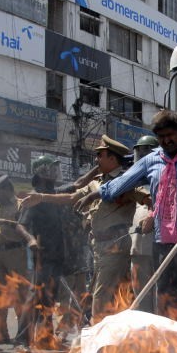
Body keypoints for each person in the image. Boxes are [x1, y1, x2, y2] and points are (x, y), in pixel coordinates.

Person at [82, 111, 177, 321]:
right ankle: (173, 350)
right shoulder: (151, 161)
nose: (166, 140)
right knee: (168, 304)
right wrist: (95, 194)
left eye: (170, 135)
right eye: (161, 137)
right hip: (163, 244)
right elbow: (123, 181)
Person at [22, 136, 145, 323]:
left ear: (112, 159)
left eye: (100, 155)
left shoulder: (126, 181)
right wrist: (41, 197)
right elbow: (72, 196)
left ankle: (97, 343)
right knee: (114, 295)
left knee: (101, 298)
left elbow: (147, 197)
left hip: (115, 245)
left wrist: (152, 216)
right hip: (98, 246)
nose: (96, 160)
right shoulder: (97, 181)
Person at [12, 156, 66, 353]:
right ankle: (21, 341)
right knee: (34, 297)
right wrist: (30, 240)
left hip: (56, 254)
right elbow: (20, 225)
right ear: (42, 173)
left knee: (49, 298)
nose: (55, 173)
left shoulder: (53, 194)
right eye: (52, 169)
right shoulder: (35, 197)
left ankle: (45, 337)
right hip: (41, 256)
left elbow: (77, 185)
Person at [0, 175, 37, 345]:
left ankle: (24, 336)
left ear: (7, 190)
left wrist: (4, 222)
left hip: (17, 254)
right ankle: (1, 334)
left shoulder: (21, 205)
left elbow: (25, 228)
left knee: (21, 296)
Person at [130, 135, 159, 312]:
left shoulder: (163, 176)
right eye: (140, 152)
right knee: (140, 296)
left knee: (162, 297)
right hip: (137, 246)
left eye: (147, 151)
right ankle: (145, 336)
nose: (142, 156)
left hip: (159, 246)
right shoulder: (132, 180)